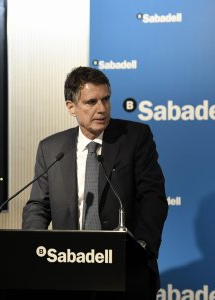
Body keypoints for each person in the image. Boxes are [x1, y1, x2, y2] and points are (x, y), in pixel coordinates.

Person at [22, 66, 168, 299]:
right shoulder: (50, 149)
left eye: (106, 99)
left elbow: (153, 197)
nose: (102, 109)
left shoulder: (135, 137)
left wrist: (141, 247)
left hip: (124, 267)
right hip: (67, 268)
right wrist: (36, 248)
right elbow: (38, 205)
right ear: (71, 107)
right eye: (91, 102)